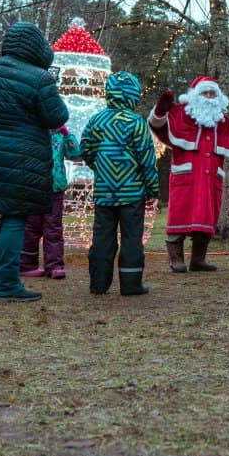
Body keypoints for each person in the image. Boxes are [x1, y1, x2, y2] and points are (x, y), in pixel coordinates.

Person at [0, 22, 69, 302]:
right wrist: (51, 86)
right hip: (22, 157)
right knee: (16, 218)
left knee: (7, 217)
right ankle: (6, 284)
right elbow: (57, 116)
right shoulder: (39, 78)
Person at [149, 76, 229, 273]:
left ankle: (198, 260)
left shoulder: (223, 121)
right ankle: (176, 259)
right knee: (179, 216)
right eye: (205, 93)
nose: (209, 97)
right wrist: (160, 111)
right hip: (186, 177)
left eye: (213, 93)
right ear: (195, 95)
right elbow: (158, 126)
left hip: (211, 178)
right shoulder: (180, 114)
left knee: (206, 218)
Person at [80, 71, 159, 296]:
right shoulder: (137, 123)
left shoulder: (96, 120)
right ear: (133, 96)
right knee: (132, 238)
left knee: (102, 237)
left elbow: (85, 149)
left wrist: (100, 168)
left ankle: (98, 284)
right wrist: (152, 188)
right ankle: (131, 284)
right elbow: (147, 159)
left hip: (104, 192)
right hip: (132, 193)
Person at [19, 124, 80, 280]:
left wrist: (67, 134)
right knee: (31, 228)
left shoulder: (59, 136)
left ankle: (54, 266)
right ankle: (26, 265)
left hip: (54, 188)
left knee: (53, 228)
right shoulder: (30, 131)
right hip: (33, 187)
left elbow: (76, 154)